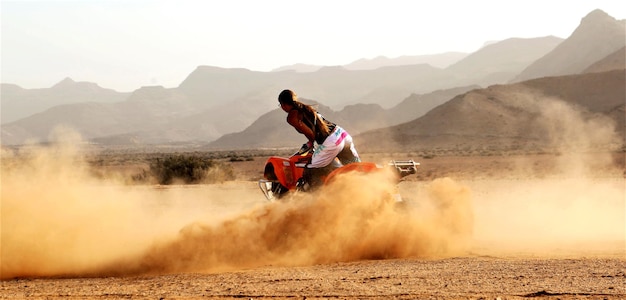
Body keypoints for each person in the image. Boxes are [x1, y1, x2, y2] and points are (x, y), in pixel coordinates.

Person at [277, 89, 360, 189]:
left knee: (310, 170)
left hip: (331, 141)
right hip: (342, 134)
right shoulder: (306, 108)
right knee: (355, 169)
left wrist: (310, 143)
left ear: (283, 104)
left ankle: (319, 199)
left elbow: (310, 133)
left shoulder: (292, 117)